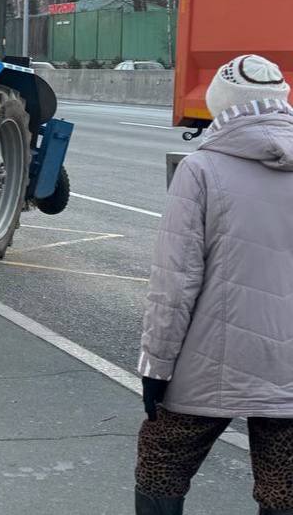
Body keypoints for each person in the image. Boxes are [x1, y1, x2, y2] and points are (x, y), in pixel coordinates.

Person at [135, 54, 293, 515]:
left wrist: (156, 368)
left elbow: (174, 284)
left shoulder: (201, 171)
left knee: (163, 460)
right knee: (284, 484)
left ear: (219, 105)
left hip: (212, 361)